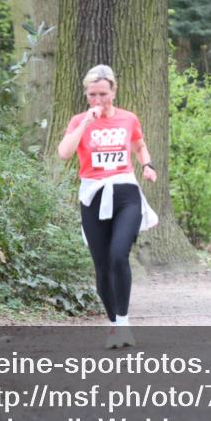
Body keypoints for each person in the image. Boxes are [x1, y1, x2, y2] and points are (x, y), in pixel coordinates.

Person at [58, 64, 159, 349]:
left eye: (103, 93)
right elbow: (64, 153)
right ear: (86, 94)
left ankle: (124, 323)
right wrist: (85, 124)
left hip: (125, 191)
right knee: (101, 265)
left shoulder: (128, 119)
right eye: (92, 94)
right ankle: (114, 324)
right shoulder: (79, 120)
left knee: (118, 256)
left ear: (113, 91)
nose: (98, 100)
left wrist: (147, 165)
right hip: (93, 194)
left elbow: (139, 146)